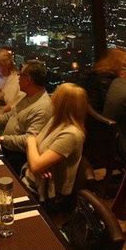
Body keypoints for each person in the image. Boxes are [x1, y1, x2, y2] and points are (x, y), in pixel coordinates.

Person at [0, 60, 53, 174]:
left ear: (28, 80)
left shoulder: (43, 107)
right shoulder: (28, 96)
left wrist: (0, 139)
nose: (17, 78)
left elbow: (30, 140)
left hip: (19, 158)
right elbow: (9, 117)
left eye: (20, 75)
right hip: (7, 148)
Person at [22, 83, 87, 211]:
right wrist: (38, 161)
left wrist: (30, 142)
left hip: (47, 196)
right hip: (32, 181)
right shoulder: (55, 121)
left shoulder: (71, 134)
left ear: (60, 103)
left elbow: (35, 163)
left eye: (55, 96)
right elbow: (36, 161)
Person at [85, 48, 126, 113]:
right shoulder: (105, 78)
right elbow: (112, 100)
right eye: (124, 64)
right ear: (118, 64)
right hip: (104, 114)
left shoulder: (100, 72)